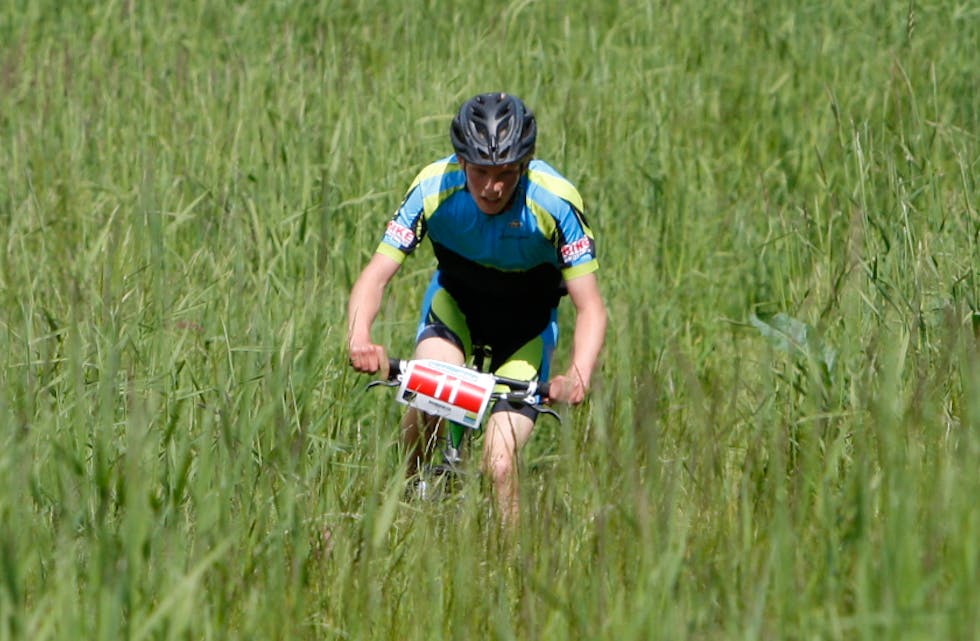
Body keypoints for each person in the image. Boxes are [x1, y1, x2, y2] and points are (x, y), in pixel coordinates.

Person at [347, 92, 606, 525]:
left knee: (500, 465)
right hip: (456, 313)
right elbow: (375, 276)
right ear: (462, 161)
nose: (492, 187)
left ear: (524, 165)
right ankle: (404, 511)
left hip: (525, 330)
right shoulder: (434, 187)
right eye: (481, 172)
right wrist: (360, 339)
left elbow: (591, 307)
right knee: (429, 399)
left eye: (506, 173)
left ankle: (514, 562)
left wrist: (579, 375)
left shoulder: (554, 202)